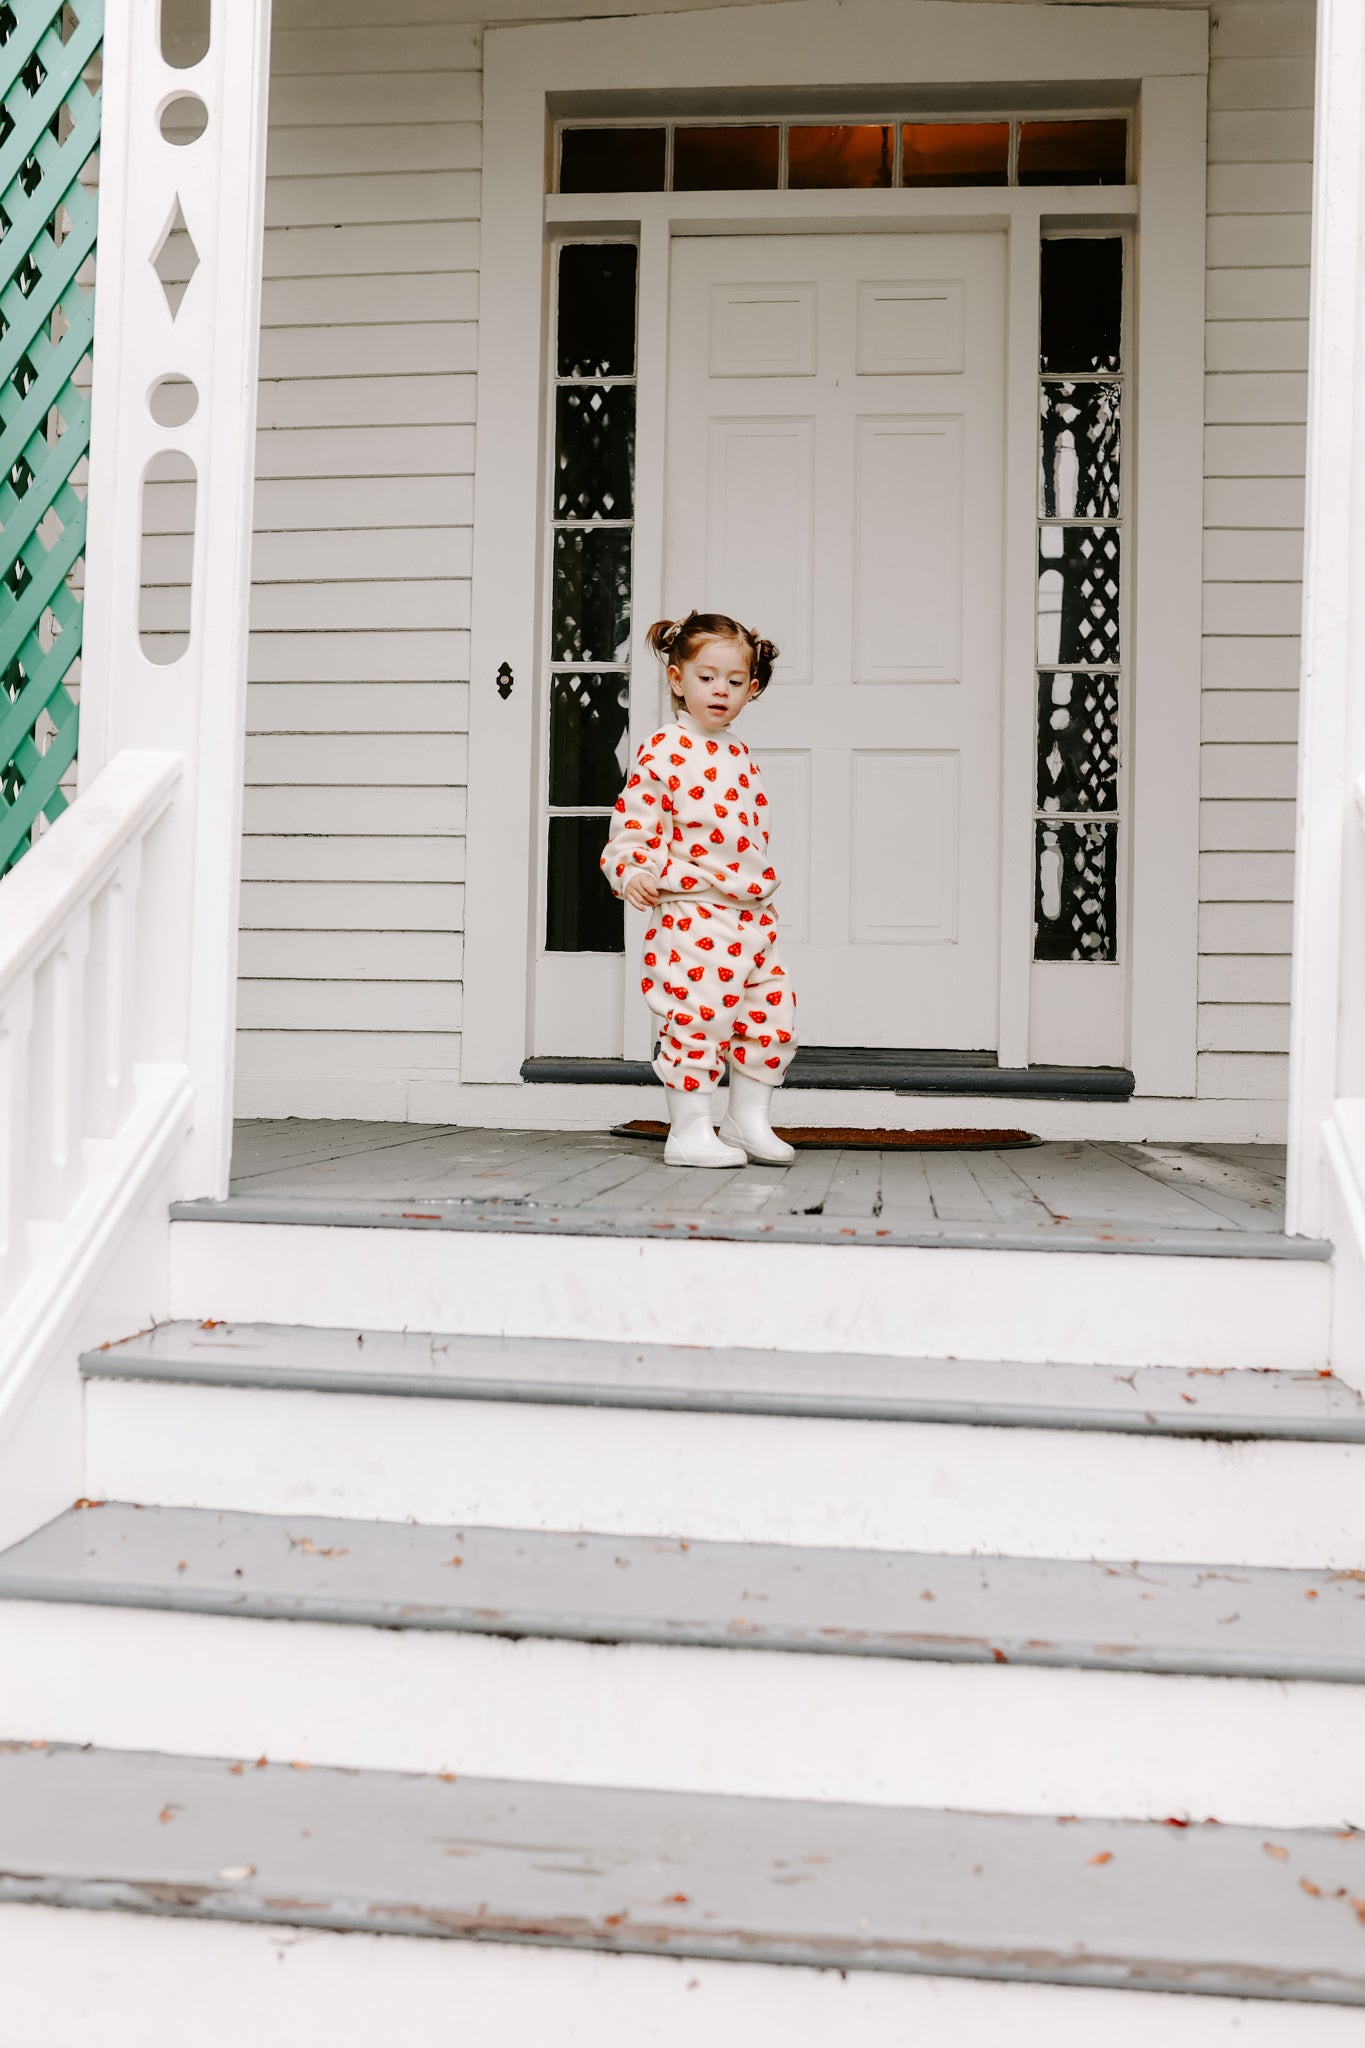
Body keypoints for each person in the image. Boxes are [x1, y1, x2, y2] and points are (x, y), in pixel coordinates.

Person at [602, 610, 798, 1168]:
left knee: (770, 1014)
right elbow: (635, 821)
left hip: (752, 911)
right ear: (677, 679)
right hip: (693, 910)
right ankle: (688, 1130)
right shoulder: (664, 748)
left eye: (735, 682)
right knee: (696, 1015)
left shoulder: (738, 753)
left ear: (752, 689)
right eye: (707, 677)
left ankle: (746, 1120)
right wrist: (634, 870)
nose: (720, 690)